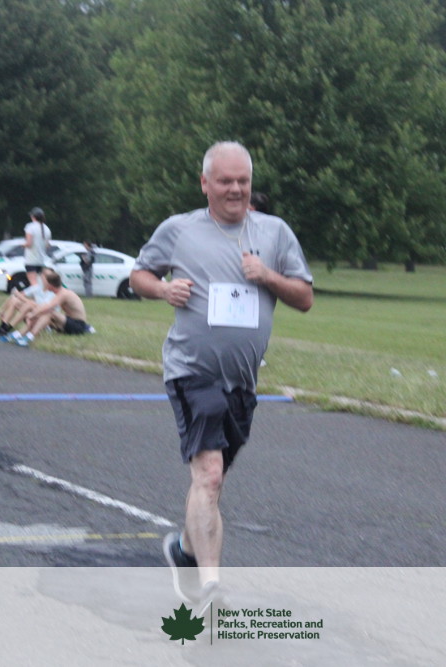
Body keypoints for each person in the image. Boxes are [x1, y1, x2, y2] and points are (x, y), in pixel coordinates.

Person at [130, 141, 313, 608]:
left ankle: (185, 550)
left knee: (211, 481)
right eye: (226, 181)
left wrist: (268, 276)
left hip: (242, 383)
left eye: (243, 181)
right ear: (205, 183)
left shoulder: (274, 232)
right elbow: (139, 275)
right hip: (192, 371)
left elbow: (304, 297)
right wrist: (163, 289)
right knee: (209, 474)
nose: (235, 189)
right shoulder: (180, 229)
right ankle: (210, 589)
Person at [3, 268, 94, 346]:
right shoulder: (60, 293)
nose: (44, 285)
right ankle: (17, 335)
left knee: (49, 312)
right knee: (42, 315)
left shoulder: (63, 294)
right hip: (66, 323)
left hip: (78, 325)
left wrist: (32, 314)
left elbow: (48, 307)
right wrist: (34, 314)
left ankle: (29, 337)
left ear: (50, 285)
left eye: (46, 283)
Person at [0, 273, 53, 339]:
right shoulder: (37, 288)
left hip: (42, 315)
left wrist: (23, 298)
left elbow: (44, 307)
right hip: (31, 311)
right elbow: (17, 295)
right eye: (43, 277)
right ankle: (2, 327)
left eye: (46, 277)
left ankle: (7, 329)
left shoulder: (52, 292)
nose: (42, 279)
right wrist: (2, 308)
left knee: (28, 304)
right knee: (14, 300)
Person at [23, 207, 52, 289]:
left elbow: (29, 243)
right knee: (42, 281)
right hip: (41, 260)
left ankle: (38, 295)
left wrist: (22, 245)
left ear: (33, 216)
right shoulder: (47, 228)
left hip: (31, 259)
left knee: (33, 282)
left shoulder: (30, 226)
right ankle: (46, 294)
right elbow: (47, 245)